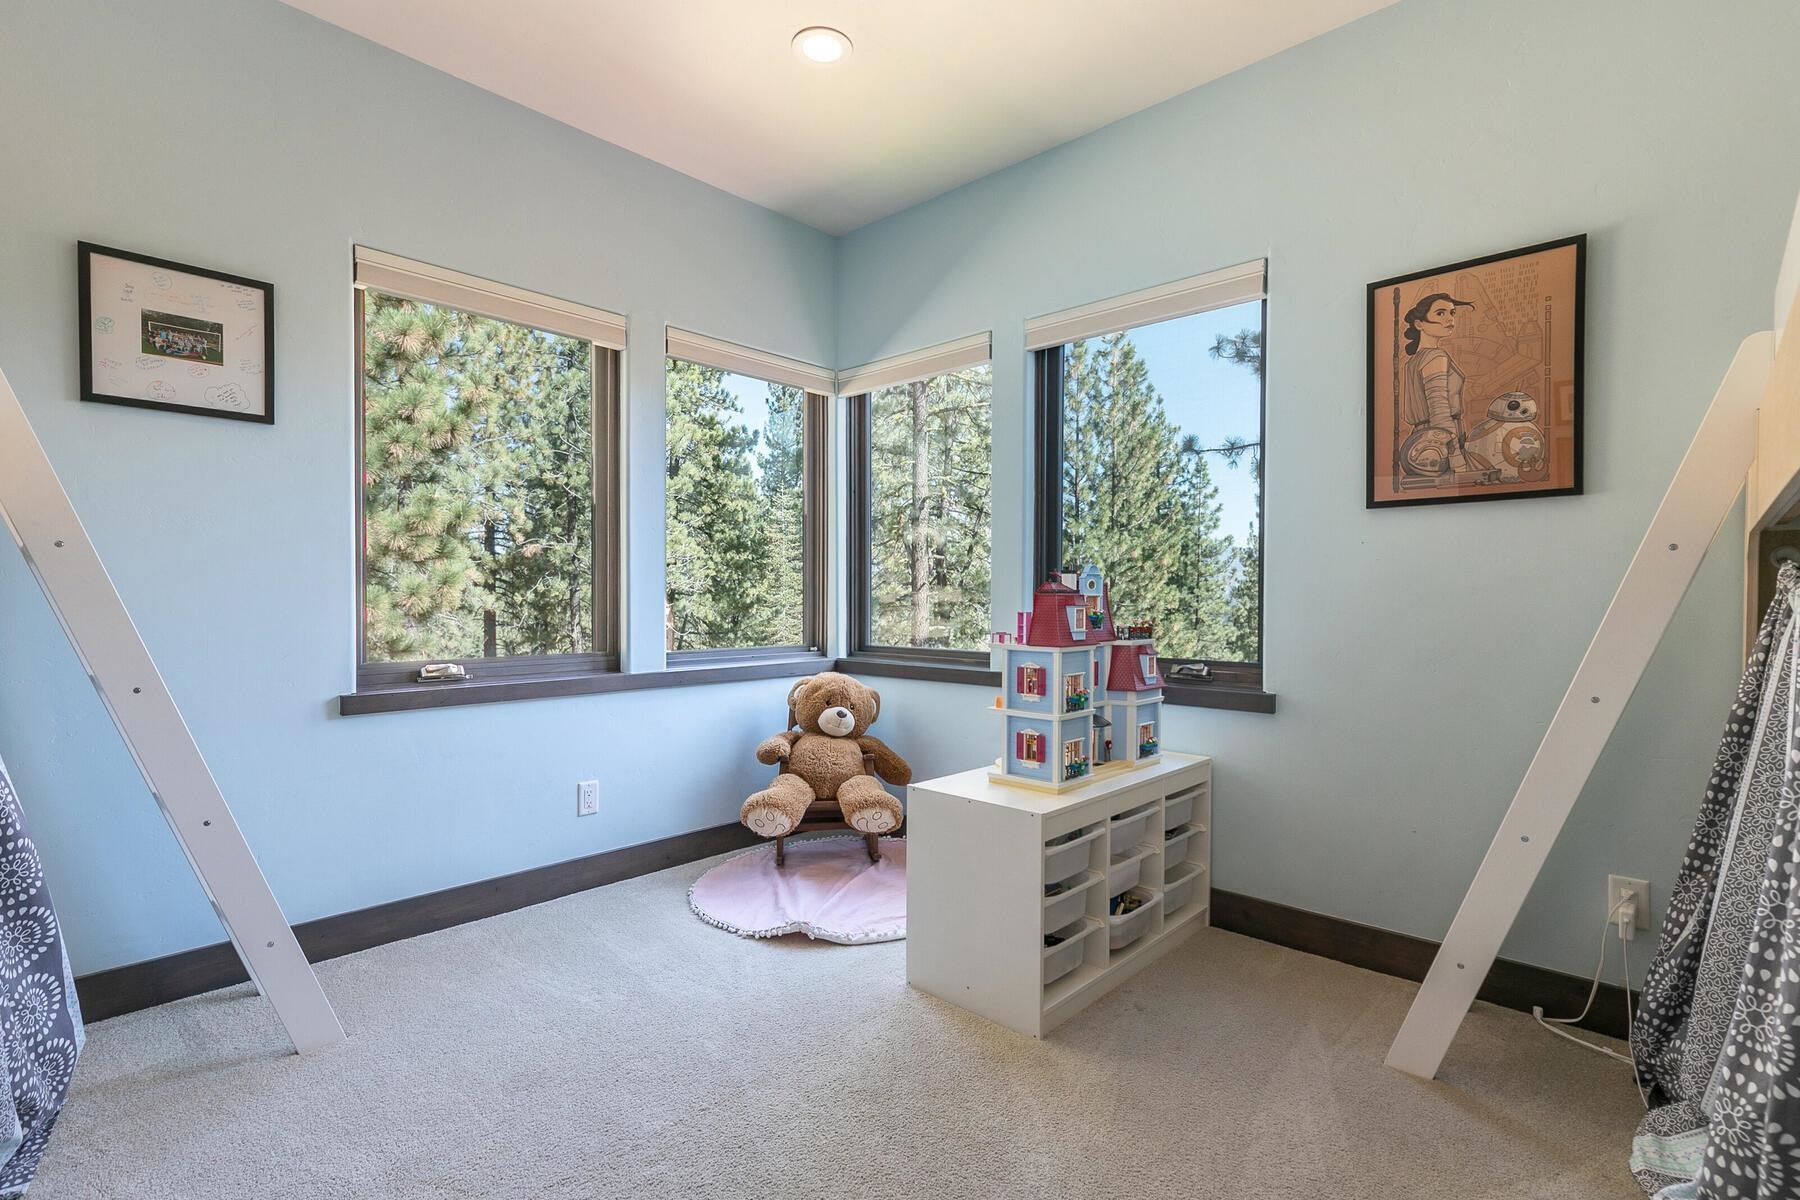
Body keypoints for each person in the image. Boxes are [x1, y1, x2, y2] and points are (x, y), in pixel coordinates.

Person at [1400, 292, 1478, 476]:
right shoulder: (1436, 356)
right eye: (1440, 313)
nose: (1449, 319)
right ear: (1419, 324)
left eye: (1452, 313)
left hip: (1419, 443)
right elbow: (1440, 412)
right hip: (1440, 443)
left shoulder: (1413, 361)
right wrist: (1456, 459)